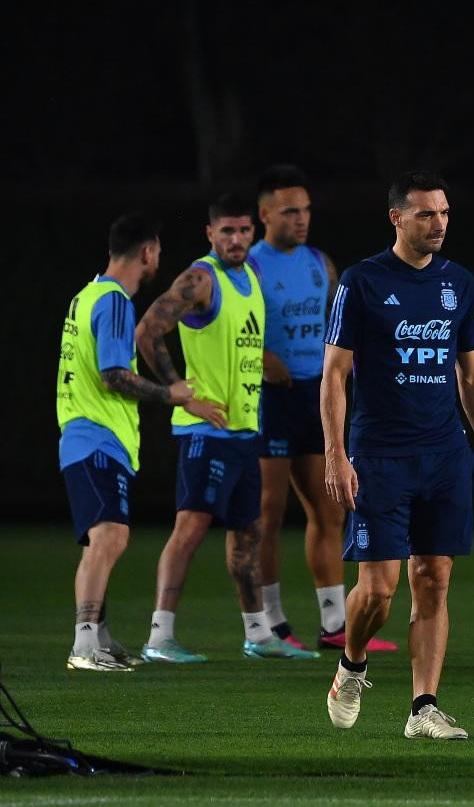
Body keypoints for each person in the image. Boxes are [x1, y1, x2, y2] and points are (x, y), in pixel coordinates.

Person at [322, 170, 474, 740]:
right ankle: (351, 666)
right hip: (379, 456)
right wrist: (336, 454)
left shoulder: (460, 283)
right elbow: (333, 375)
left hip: (444, 455)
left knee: (432, 579)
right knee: (378, 590)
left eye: (445, 213)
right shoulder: (362, 282)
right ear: (396, 218)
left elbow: (472, 374)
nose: (439, 224)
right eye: (426, 214)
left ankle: (423, 707)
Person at [135, 193, 318, 662]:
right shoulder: (200, 278)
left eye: (243, 231)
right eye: (227, 231)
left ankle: (258, 635)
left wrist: (261, 366)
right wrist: (180, 392)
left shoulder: (250, 277)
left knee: (248, 531)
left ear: (252, 234)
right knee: (191, 529)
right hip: (207, 433)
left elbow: (239, 346)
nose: (236, 239)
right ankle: (159, 637)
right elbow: (147, 332)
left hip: (243, 430)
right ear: (210, 234)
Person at [250, 165, 396, 653]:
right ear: (265, 213)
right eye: (290, 210)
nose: (302, 218)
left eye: (306, 209)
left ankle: (334, 623)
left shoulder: (319, 263)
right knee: (267, 513)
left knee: (330, 510)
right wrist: (258, 358)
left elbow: (342, 331)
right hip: (269, 401)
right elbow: (224, 334)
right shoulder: (248, 266)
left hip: (316, 396)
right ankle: (271, 623)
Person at [57, 212, 195, 671]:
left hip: (85, 435)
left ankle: (97, 635)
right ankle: (82, 645)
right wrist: (170, 394)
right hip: (96, 436)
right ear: (149, 252)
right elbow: (114, 375)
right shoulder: (115, 301)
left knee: (101, 539)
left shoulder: (85, 295)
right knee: (111, 537)